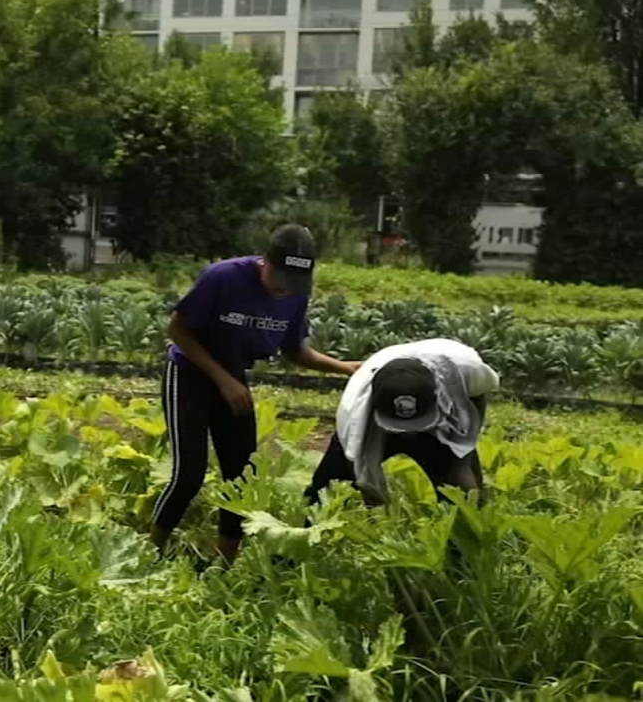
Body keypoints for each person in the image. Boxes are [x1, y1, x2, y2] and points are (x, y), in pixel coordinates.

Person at [153, 223, 360, 566]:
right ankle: (150, 552)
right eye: (279, 280)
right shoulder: (222, 278)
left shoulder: (295, 295)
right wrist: (223, 380)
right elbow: (177, 330)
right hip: (189, 374)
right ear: (265, 261)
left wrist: (345, 367)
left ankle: (224, 565)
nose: (284, 291)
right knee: (188, 475)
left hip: (232, 378)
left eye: (293, 285)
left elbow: (295, 350)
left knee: (242, 477)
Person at [303, 338, 499, 510]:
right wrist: (374, 500)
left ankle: (461, 543)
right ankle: (304, 537)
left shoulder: (467, 370)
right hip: (378, 422)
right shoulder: (353, 407)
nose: (408, 434)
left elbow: (477, 398)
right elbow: (357, 462)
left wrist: (463, 455)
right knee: (327, 484)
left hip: (436, 423)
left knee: (460, 489)